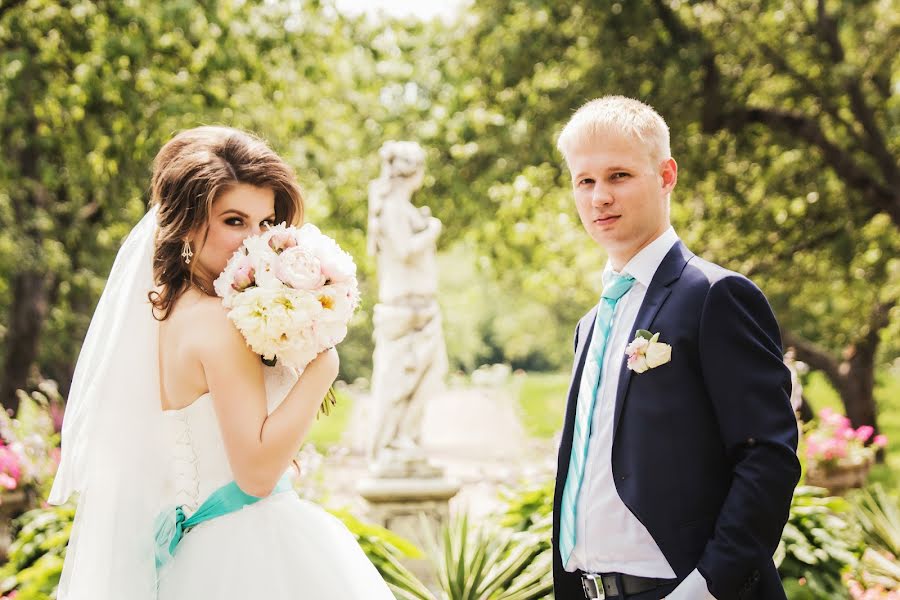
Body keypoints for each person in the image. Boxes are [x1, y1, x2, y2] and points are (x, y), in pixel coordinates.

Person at [49, 126, 395, 599]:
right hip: (252, 550)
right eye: (234, 221)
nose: (255, 241)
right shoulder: (219, 322)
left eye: (266, 223)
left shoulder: (171, 312)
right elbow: (254, 475)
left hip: (198, 551)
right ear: (189, 225)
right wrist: (324, 365)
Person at [550, 97, 800, 600]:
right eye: (585, 180)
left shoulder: (715, 297)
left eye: (619, 175)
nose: (600, 197)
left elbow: (768, 458)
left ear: (666, 176)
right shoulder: (591, 325)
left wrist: (706, 589)